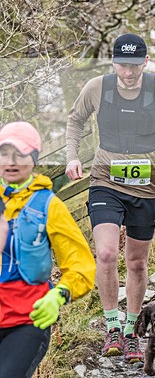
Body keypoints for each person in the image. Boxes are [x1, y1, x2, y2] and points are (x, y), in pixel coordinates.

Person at [65, 33, 155, 362]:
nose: (128, 72)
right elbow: (75, 120)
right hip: (105, 179)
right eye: (122, 65)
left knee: (136, 262)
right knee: (106, 254)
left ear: (145, 62)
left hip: (145, 186)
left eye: (134, 66)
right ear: (113, 63)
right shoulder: (97, 87)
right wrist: (71, 156)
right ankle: (112, 326)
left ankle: (133, 331)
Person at [0, 121, 96, 378]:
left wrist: (59, 295)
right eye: (4, 153)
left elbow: (80, 265)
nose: (11, 161)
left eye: (19, 154)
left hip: (28, 322)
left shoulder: (49, 206)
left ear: (33, 159)